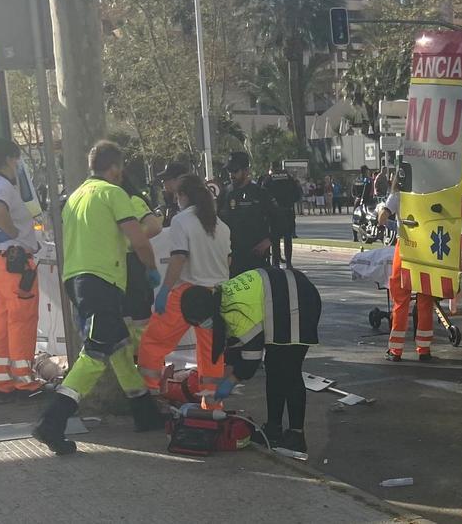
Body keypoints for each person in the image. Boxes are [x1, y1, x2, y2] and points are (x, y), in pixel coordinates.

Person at [34, 141, 164, 455]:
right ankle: (52, 422)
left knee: (117, 346)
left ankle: (145, 413)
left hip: (77, 280)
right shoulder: (113, 193)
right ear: (116, 167)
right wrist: (150, 269)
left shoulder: (74, 197)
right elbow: (139, 240)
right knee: (94, 354)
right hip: (102, 282)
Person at [179, 267, 321, 452]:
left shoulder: (234, 312)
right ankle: (273, 429)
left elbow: (251, 358)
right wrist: (226, 375)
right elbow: (236, 346)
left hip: (297, 302)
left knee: (289, 371)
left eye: (200, 322)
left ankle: (296, 435)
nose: (203, 327)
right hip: (281, 301)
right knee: (274, 368)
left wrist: (229, 382)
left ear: (206, 313)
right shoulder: (218, 299)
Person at [138, 175, 231, 404]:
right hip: (218, 295)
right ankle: (211, 405)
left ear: (183, 196)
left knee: (153, 342)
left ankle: (149, 394)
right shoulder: (222, 226)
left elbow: (179, 258)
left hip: (188, 294)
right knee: (212, 355)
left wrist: (164, 291)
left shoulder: (181, 221)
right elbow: (228, 262)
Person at [0, 138, 43, 401]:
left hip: (1, 261)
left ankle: (3, 381)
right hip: (15, 261)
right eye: (17, 159)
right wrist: (16, 234)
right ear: (9, 159)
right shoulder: (2, 186)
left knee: (4, 322)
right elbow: (0, 212)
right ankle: (24, 381)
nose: (18, 164)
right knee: (22, 320)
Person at [377, 187, 434, 361]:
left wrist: (382, 209)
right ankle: (424, 349)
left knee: (401, 300)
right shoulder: (431, 190)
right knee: (425, 299)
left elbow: (382, 219)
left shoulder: (398, 195)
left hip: (406, 247)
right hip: (427, 247)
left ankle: (396, 351)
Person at [121, 176, 164, 352]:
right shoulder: (113, 201)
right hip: (119, 266)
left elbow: (154, 226)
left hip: (133, 262)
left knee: (140, 320)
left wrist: (131, 242)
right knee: (126, 322)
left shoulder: (132, 200)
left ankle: (147, 364)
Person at [218, 151, 278, 276]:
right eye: (229, 171)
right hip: (231, 257)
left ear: (246, 171)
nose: (231, 175)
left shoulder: (260, 193)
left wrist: (269, 240)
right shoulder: (225, 193)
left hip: (255, 257)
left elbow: (279, 220)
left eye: (235, 171)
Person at [261, 162, 301, 269]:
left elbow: (262, 194)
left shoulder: (268, 179)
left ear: (272, 168)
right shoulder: (289, 178)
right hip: (288, 212)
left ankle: (276, 263)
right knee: (288, 239)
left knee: (275, 240)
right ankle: (288, 263)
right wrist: (290, 202)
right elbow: (298, 193)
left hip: (274, 214)